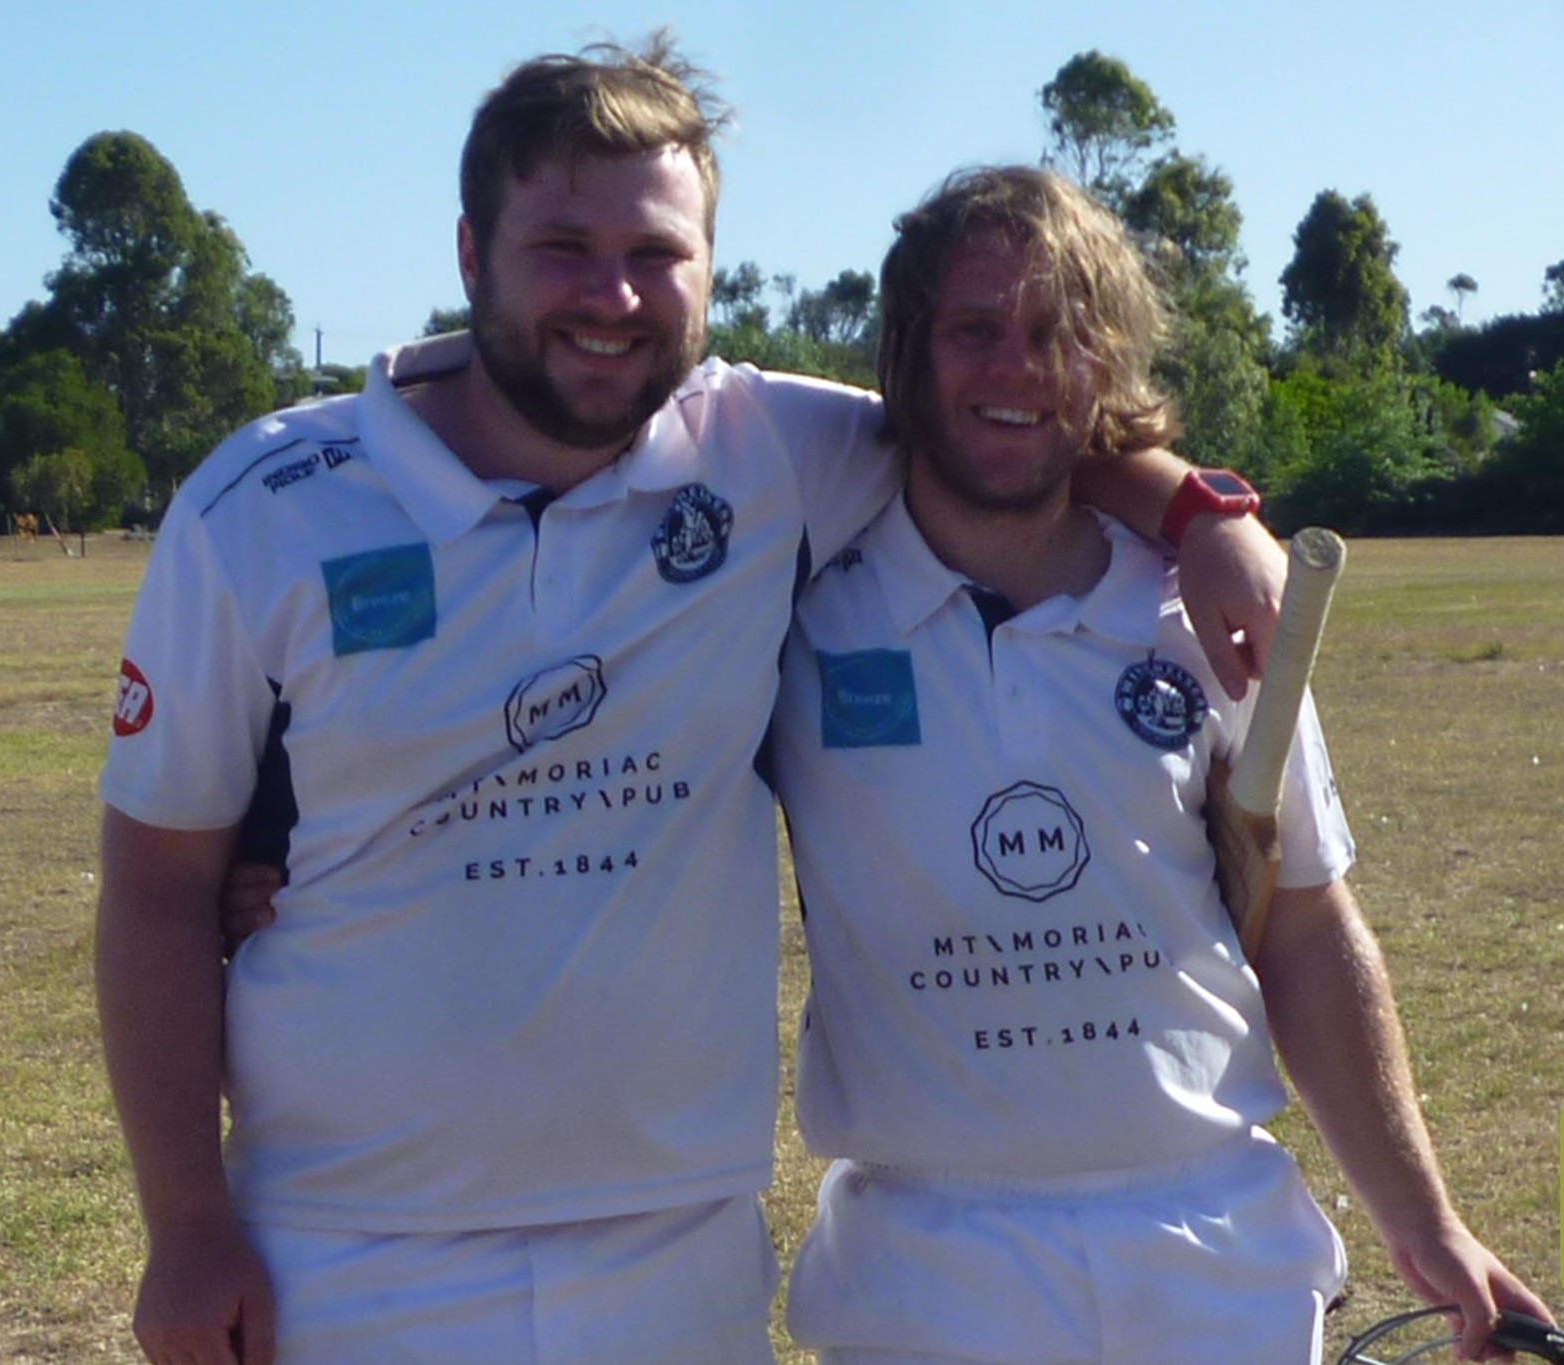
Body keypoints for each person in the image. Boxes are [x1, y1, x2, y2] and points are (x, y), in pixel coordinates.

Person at [95, 36, 1286, 1365]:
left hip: (676, 1258)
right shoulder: (263, 504)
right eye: (562, 246)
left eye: (658, 253)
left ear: (710, 272)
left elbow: (1004, 421)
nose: (612, 293)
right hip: (346, 1251)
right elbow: (152, 882)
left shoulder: (767, 450)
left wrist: (1200, 510)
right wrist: (186, 1223)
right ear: (469, 251)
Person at [762, 167, 1553, 1364]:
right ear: (908, 352)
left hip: (1209, 1249)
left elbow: (1303, 927)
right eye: (974, 330)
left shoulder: (1213, 615)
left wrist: (1422, 1221)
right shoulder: (796, 601)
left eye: (1057, 334)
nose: (1017, 369)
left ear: (1107, 362)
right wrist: (1198, 501)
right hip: (923, 1264)